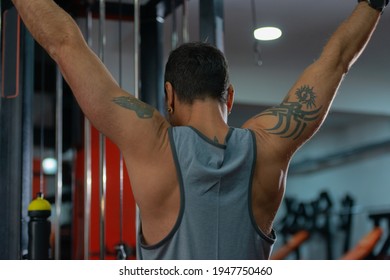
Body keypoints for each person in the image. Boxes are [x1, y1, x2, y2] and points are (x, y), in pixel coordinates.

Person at [12, 0, 387, 259]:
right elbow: (336, 61)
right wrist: (373, 3)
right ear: (231, 96)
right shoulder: (270, 144)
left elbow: (63, 42)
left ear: (169, 96)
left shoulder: (153, 143)